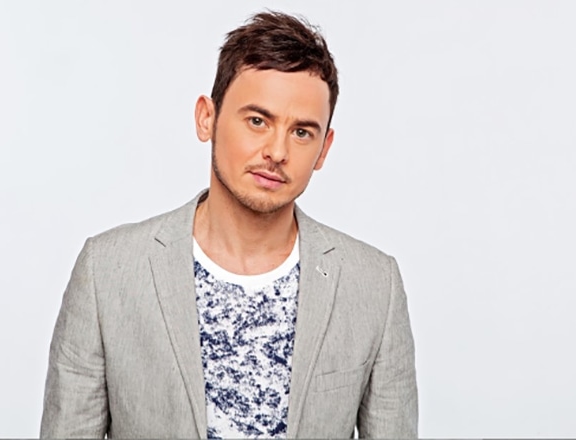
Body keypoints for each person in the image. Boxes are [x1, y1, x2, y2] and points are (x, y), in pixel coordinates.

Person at [40, 10, 418, 439]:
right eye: (257, 121)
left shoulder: (374, 285)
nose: (277, 152)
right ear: (207, 118)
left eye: (301, 132)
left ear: (324, 149)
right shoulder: (107, 271)